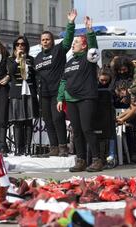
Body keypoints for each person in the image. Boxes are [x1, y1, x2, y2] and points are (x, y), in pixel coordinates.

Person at [57, 16, 102, 172]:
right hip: (71, 100)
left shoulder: (89, 58)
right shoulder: (69, 61)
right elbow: (63, 81)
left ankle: (97, 160)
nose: (73, 44)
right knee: (76, 131)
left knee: (87, 129)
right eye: (73, 42)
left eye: (76, 42)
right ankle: (81, 160)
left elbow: (94, 47)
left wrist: (90, 31)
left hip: (86, 98)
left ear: (84, 46)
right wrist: (60, 98)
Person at [34, 9, 77, 157]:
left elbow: (68, 40)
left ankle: (63, 147)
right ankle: (53, 148)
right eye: (43, 40)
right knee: (48, 120)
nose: (45, 41)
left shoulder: (59, 50)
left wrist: (70, 23)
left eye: (47, 39)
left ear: (52, 41)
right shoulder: (38, 57)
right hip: (43, 93)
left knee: (58, 118)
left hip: (57, 92)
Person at [7, 36, 39, 156]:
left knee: (28, 121)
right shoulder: (10, 60)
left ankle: (28, 148)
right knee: (18, 121)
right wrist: (17, 59)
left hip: (29, 91)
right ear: (15, 47)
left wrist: (37, 93)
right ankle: (18, 149)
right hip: (17, 93)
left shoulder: (31, 59)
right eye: (18, 44)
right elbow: (10, 71)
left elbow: (35, 77)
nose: (20, 46)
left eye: (23, 44)